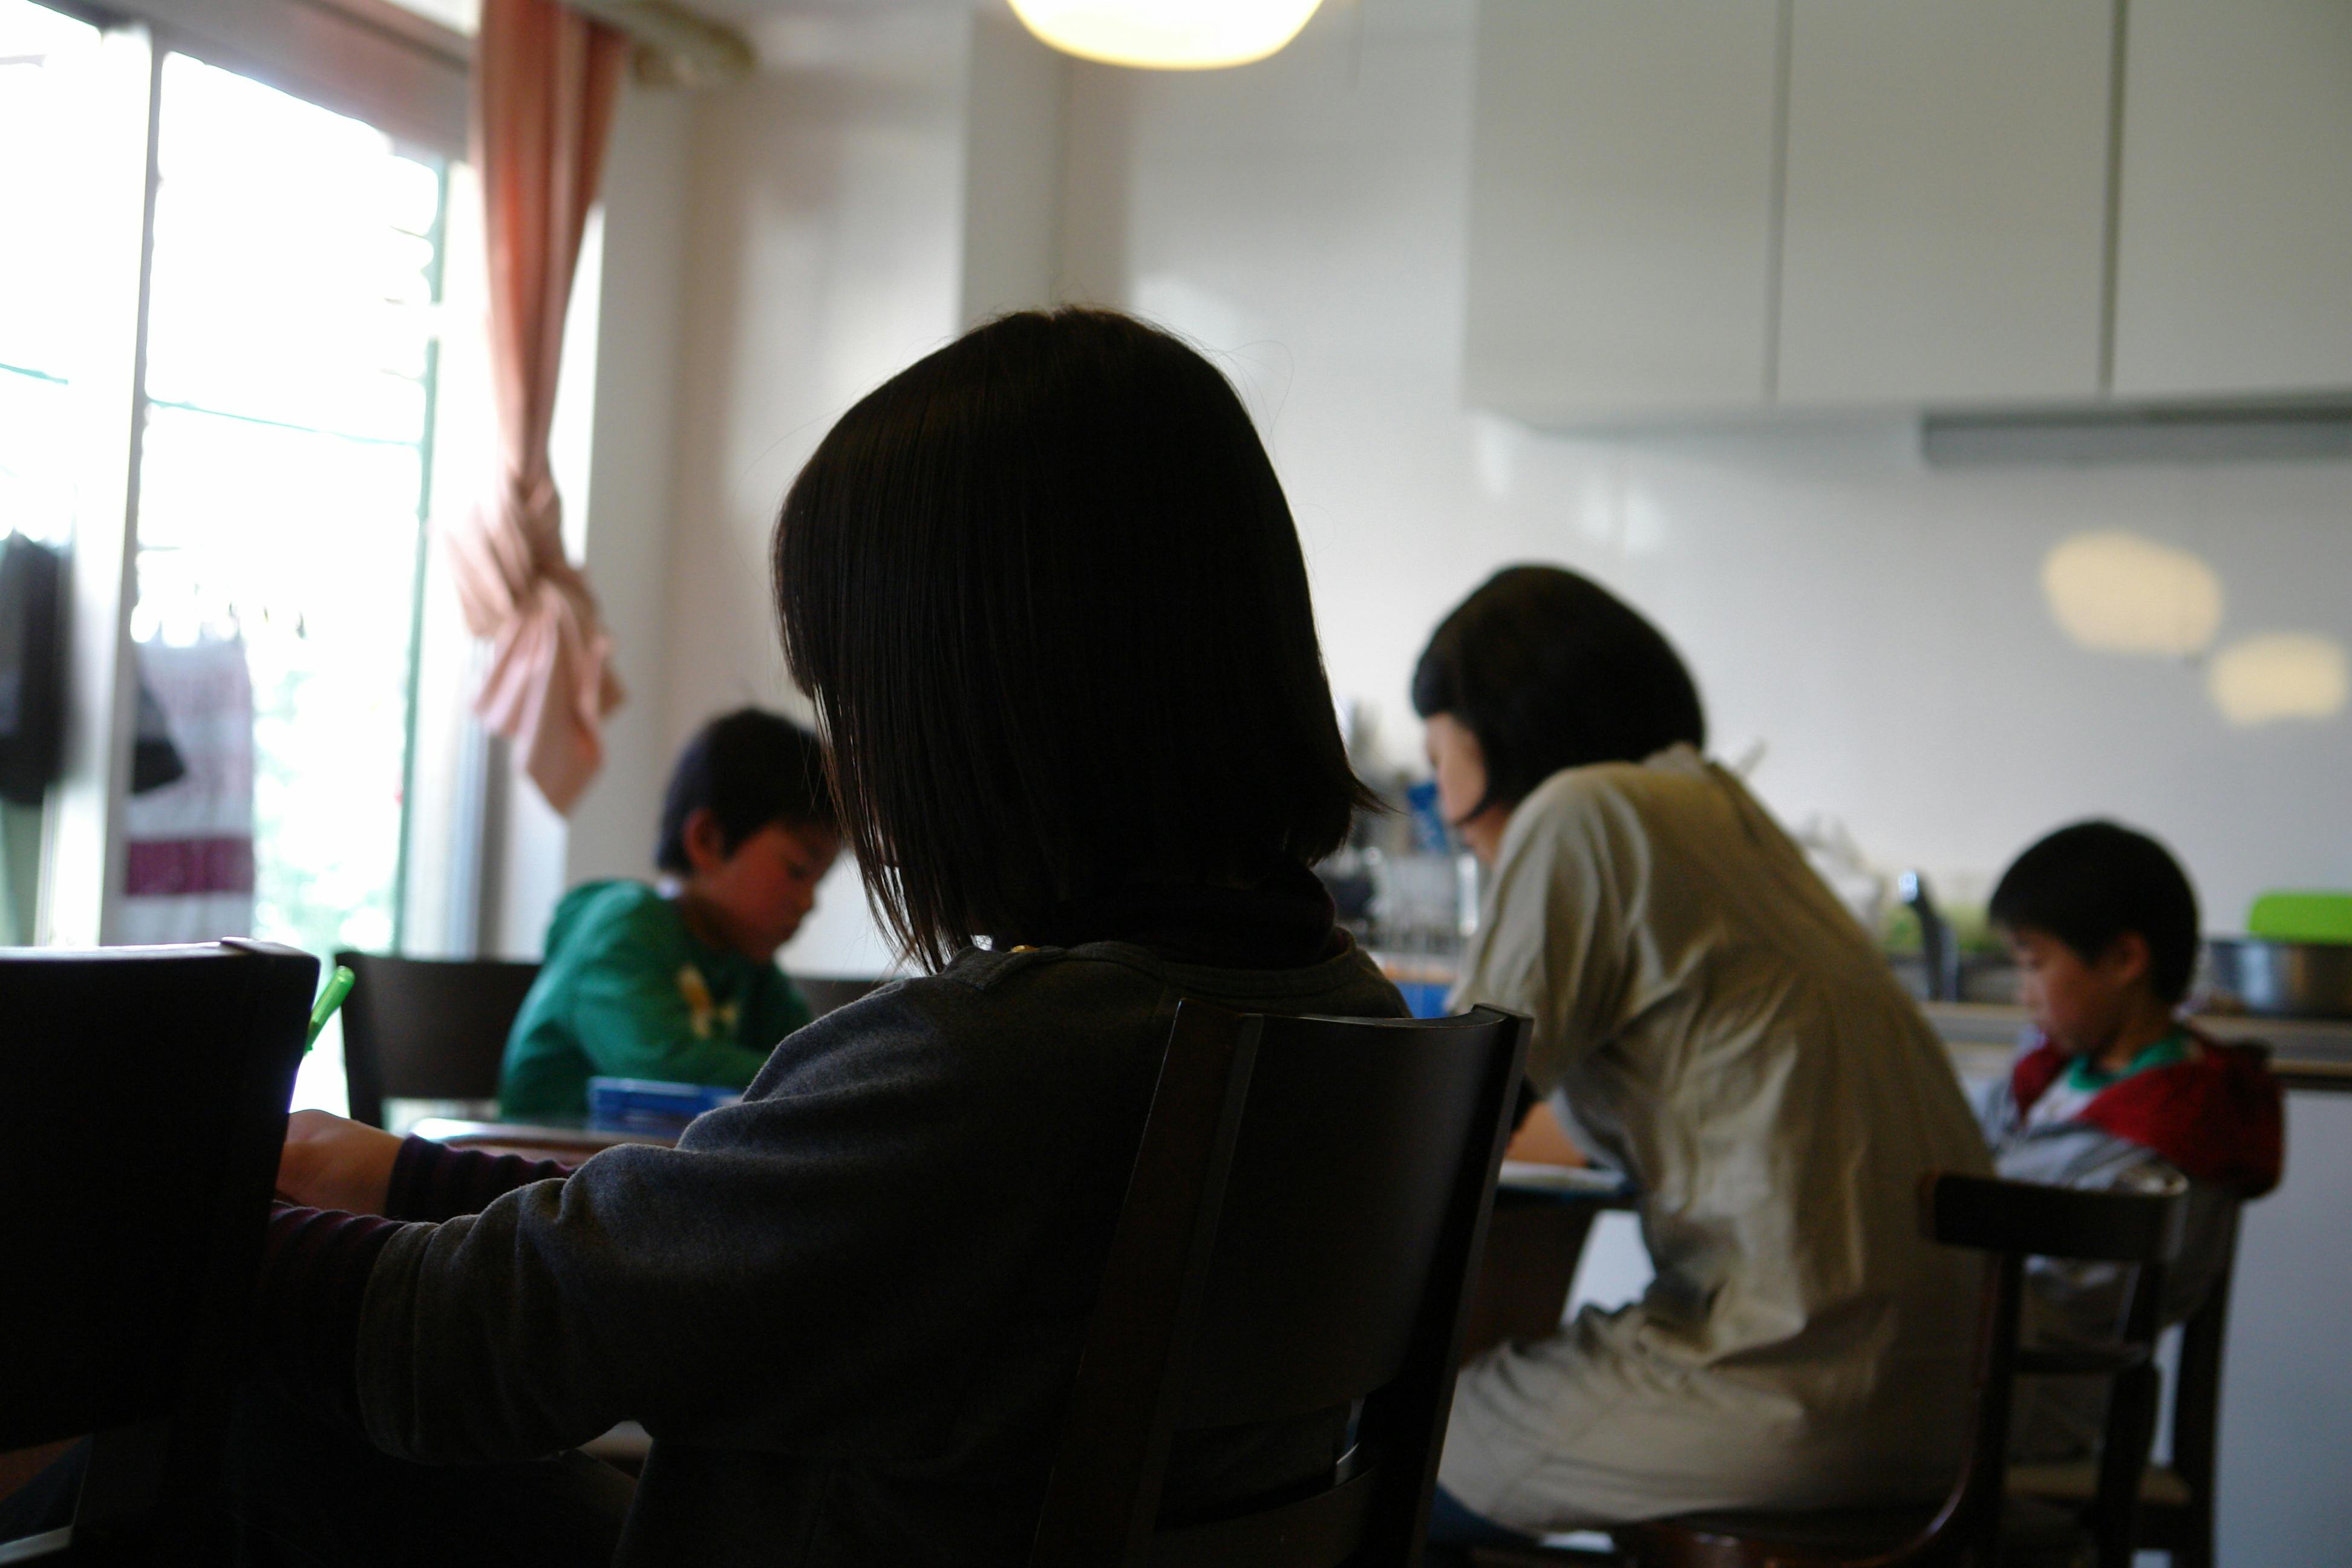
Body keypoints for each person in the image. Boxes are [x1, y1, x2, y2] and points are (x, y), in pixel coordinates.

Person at [0, 309, 1406, 1567]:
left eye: (846, 696)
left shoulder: (1011, 1064)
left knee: (261, 1423)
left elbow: (464, 1352)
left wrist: (157, 1221)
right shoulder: (1335, 1009)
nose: (851, 766)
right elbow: (755, 1229)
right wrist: (406, 1177)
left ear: (981, 699)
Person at [1415, 564, 1992, 1542]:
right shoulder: (1726, 819)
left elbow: (1450, 1113)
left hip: (1785, 1392)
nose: (1439, 802)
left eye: (1439, 759)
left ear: (1497, 739)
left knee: (1382, 1454)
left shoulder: (1583, 813)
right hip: (1951, 1404)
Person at [1980, 820, 2282, 1460]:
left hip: (2044, 1406)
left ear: (2123, 960)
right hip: (1983, 1375)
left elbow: (2088, 1299)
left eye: (2034, 964)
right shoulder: (2048, 1076)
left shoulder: (2184, 1123)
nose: (2023, 993)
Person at [497, 708, 839, 1123]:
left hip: (646, 1157)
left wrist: (822, 1075)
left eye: (819, 881)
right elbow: (664, 1066)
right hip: (542, 1156)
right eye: (798, 871)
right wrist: (817, 1078)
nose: (809, 903)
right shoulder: (624, 928)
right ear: (708, 841)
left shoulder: (752, 969)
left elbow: (814, 1059)